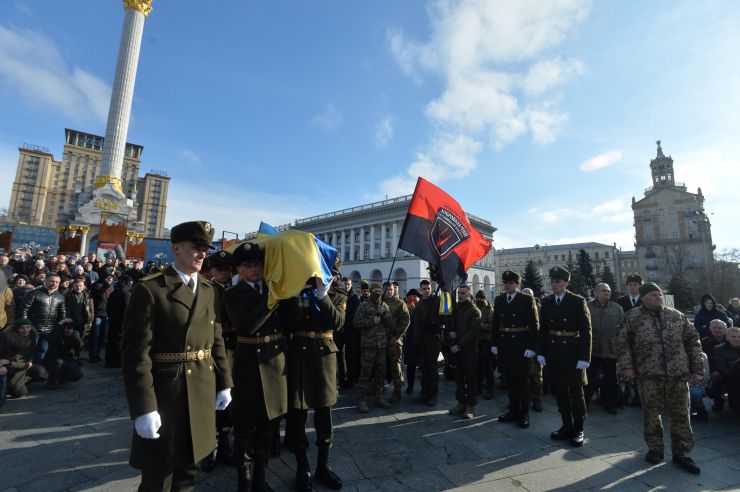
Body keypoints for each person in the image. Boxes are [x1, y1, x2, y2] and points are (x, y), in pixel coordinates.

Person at [121, 221, 233, 491]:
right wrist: (144, 407)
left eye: (205, 249)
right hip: (167, 392)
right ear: (176, 248)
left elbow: (216, 337)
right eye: (196, 247)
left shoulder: (208, 290)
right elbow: (136, 354)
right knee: (159, 475)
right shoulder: (151, 289)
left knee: (188, 471)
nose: (202, 254)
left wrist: (225, 381)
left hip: (202, 388)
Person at [617, 282, 703, 474]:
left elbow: (693, 341)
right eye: (654, 295)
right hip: (648, 374)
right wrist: (627, 367)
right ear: (644, 297)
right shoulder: (632, 317)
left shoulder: (676, 315)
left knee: (681, 414)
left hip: (677, 374)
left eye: (659, 294)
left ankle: (683, 453)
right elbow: (623, 344)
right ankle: (655, 449)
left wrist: (696, 369)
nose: (658, 297)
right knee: (651, 414)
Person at [223, 242, 287, 492]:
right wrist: (271, 301)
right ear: (238, 268)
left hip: (273, 364)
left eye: (257, 264)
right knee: (244, 426)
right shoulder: (232, 294)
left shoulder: (272, 289)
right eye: (248, 265)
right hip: (248, 366)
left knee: (267, 427)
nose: (254, 269)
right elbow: (246, 325)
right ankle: (244, 478)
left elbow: (289, 324)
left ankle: (260, 477)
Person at [285, 263, 346, 492]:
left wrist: (323, 297)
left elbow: (338, 322)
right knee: (298, 414)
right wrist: (293, 295)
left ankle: (324, 465)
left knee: (324, 415)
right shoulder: (298, 291)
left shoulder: (336, 295)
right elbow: (290, 323)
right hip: (299, 354)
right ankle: (303, 466)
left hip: (324, 356)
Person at [537, 267, 591, 447]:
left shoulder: (577, 301)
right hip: (554, 352)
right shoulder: (547, 302)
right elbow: (543, 329)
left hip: (573, 352)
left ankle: (579, 428)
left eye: (558, 282)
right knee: (560, 391)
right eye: (552, 282)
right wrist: (541, 352)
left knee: (576, 392)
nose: (554, 285)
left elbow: (586, 331)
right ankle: (566, 425)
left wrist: (584, 357)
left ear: (567, 283)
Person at [200, 251, 236, 472]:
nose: (224, 273)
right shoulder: (206, 291)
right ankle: (209, 447)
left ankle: (224, 445)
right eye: (219, 269)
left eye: (227, 269)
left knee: (229, 402)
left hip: (234, 350)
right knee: (212, 400)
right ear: (212, 271)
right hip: (212, 351)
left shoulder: (235, 290)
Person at [492, 271, 539, 428]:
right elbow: (495, 323)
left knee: (523, 382)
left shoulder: (526, 299)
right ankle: (513, 410)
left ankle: (524, 413)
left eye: (511, 283)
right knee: (510, 381)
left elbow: (534, 325)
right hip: (506, 345)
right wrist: (494, 343)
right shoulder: (499, 300)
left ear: (517, 284)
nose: (507, 285)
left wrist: (532, 346)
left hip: (521, 345)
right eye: (505, 282)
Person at [585, 283, 624, 415]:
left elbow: (622, 329)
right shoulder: (587, 306)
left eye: (608, 291)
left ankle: (609, 403)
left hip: (611, 350)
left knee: (611, 379)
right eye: (604, 291)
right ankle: (584, 402)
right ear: (596, 293)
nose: (607, 293)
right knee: (590, 378)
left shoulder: (617, 308)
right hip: (593, 349)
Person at [354, 282, 393, 413]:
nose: (377, 292)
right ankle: (361, 399)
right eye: (375, 290)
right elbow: (356, 322)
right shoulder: (363, 306)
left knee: (380, 372)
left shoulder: (384, 305)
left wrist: (384, 314)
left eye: (379, 290)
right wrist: (372, 321)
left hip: (381, 345)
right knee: (365, 372)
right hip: (368, 345)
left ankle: (379, 397)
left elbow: (390, 323)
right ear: (370, 291)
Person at [447, 284, 482, 419]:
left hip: (469, 350)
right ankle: (461, 403)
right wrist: (449, 332)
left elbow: (473, 332)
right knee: (458, 378)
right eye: (459, 293)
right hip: (456, 350)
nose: (460, 295)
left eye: (463, 293)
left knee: (470, 378)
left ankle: (471, 406)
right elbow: (450, 324)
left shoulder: (474, 311)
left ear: (469, 294)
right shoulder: (455, 309)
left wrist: (459, 344)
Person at [21, 272, 66, 363]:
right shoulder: (33, 294)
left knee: (42, 352)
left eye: (57, 282)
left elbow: (62, 313)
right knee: (29, 352)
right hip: (33, 329)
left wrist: (58, 327)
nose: (54, 284)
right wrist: (26, 326)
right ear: (45, 281)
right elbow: (23, 310)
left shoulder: (60, 297)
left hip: (48, 330)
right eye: (52, 281)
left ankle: (37, 372)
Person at [413, 279, 443, 406]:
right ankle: (424, 392)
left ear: (431, 289)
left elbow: (443, 316)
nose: (426, 291)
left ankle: (433, 394)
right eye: (424, 289)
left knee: (432, 368)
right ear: (420, 290)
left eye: (428, 288)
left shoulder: (436, 300)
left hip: (432, 339)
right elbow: (416, 323)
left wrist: (435, 323)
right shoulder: (419, 304)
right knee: (423, 368)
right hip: (421, 340)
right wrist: (415, 340)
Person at [382, 281, 410, 404]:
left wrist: (397, 336)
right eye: (386, 289)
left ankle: (397, 391)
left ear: (394, 290)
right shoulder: (381, 302)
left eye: (390, 289)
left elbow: (406, 321)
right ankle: (379, 388)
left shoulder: (400, 303)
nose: (389, 292)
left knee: (396, 366)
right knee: (381, 365)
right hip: (382, 339)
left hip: (394, 341)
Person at [4, 319, 45, 398]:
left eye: (28, 327)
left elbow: (32, 354)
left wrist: (30, 361)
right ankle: (9, 385)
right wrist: (24, 365)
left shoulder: (31, 337)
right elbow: (7, 361)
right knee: (19, 393)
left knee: (41, 372)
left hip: (25, 368)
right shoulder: (8, 340)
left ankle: (22, 382)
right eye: (22, 328)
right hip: (12, 369)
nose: (25, 330)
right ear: (17, 329)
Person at [44, 318, 83, 389]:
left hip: (66, 360)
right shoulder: (57, 333)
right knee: (59, 362)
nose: (67, 330)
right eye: (65, 328)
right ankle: (51, 381)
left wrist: (75, 336)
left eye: (69, 328)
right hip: (52, 360)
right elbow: (49, 338)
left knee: (77, 374)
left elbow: (79, 346)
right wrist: (61, 322)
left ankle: (62, 378)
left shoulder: (74, 334)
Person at [106, 275, 133, 369]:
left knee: (111, 340)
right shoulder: (126, 294)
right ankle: (116, 362)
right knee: (119, 341)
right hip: (121, 322)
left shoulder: (114, 292)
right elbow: (127, 309)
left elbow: (108, 307)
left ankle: (109, 362)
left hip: (113, 320)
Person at [712, 326, 740, 414]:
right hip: (729, 377)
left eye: (739, 337)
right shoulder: (719, 349)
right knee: (716, 381)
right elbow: (721, 366)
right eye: (733, 336)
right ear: (727, 337)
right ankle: (718, 403)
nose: (737, 339)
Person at [64, 277, 94, 357]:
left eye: (80, 286)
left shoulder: (87, 295)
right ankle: (70, 357)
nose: (78, 288)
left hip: (83, 321)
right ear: (73, 286)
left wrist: (90, 321)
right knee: (71, 340)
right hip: (71, 321)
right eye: (76, 286)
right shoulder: (68, 295)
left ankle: (77, 356)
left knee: (80, 340)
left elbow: (91, 309)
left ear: (84, 286)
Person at [703, 319, 728, 412]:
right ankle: (718, 402)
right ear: (710, 328)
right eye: (714, 328)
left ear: (725, 329)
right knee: (716, 382)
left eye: (720, 328)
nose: (717, 330)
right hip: (714, 370)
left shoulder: (732, 339)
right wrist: (712, 371)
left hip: (729, 368)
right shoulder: (704, 342)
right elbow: (705, 360)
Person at [475, 290, 495, 400]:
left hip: (486, 341)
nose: (479, 300)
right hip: (476, 341)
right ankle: (478, 388)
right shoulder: (475, 308)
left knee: (487, 367)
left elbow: (492, 326)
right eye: (477, 298)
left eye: (481, 298)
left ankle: (489, 389)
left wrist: (480, 325)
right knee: (477, 366)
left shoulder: (490, 310)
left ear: (485, 299)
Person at [89, 274, 114, 362]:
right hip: (98, 314)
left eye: (111, 279)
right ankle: (93, 355)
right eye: (108, 278)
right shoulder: (97, 285)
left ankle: (98, 354)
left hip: (106, 314)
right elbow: (99, 294)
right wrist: (106, 284)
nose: (110, 280)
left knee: (102, 336)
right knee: (95, 335)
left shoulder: (112, 287)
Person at [403, 289, 422, 395]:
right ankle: (410, 386)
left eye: (416, 296)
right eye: (411, 296)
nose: (414, 298)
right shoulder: (406, 308)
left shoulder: (422, 308)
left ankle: (424, 388)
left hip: (420, 341)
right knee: (410, 366)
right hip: (410, 341)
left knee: (423, 366)